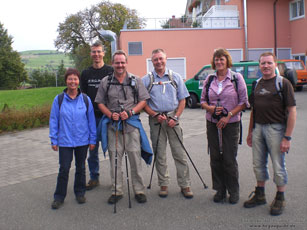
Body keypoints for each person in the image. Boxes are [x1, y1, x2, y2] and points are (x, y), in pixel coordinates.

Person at [95, 50, 152, 204]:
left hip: (131, 126)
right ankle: (116, 191)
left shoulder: (136, 80)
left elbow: (144, 100)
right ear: (112, 63)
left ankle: (139, 190)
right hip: (113, 127)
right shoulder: (105, 82)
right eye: (117, 62)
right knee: (115, 160)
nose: (120, 65)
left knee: (134, 159)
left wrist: (132, 111)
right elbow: (100, 102)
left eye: (122, 62)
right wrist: (109, 114)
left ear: (126, 63)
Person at [244, 52, 296, 216]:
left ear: (275, 64)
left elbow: (292, 111)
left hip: (277, 129)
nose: (265, 66)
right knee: (258, 163)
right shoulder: (257, 84)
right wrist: (251, 132)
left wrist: (287, 137)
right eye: (262, 63)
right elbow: (254, 109)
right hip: (258, 128)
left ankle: (280, 197)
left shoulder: (283, 83)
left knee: (278, 165)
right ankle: (260, 194)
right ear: (259, 65)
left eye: (269, 63)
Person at [142, 48, 193, 199]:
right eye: (155, 59)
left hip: (173, 119)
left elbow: (183, 100)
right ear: (152, 61)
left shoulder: (175, 77)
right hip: (155, 120)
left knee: (179, 153)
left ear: (166, 59)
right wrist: (154, 114)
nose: (158, 62)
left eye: (161, 59)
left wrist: (176, 117)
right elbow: (143, 102)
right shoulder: (146, 79)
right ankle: (163, 184)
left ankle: (185, 185)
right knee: (160, 154)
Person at [200, 48, 249, 204]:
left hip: (231, 123)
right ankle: (220, 190)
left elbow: (243, 102)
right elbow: (202, 102)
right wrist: (211, 109)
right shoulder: (209, 79)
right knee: (215, 157)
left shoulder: (236, 78)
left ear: (227, 61)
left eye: (222, 59)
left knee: (229, 158)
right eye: (216, 59)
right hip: (212, 123)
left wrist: (228, 116)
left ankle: (233, 191)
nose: (219, 62)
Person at [49, 68, 96, 209]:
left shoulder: (86, 100)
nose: (73, 81)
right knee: (64, 168)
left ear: (79, 81)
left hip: (82, 140)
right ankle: (59, 197)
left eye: (75, 79)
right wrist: (54, 139)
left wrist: (92, 139)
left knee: (81, 168)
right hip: (65, 141)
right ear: (66, 81)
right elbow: (53, 120)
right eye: (70, 79)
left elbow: (91, 121)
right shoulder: (59, 100)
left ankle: (80, 193)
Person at [80, 40, 113, 190]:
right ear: (91, 54)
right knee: (92, 150)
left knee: (113, 148)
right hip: (91, 118)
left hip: (107, 117)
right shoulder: (86, 73)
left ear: (104, 53)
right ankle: (94, 177)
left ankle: (115, 178)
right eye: (94, 51)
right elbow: (83, 97)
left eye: (99, 51)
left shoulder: (110, 71)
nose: (96, 54)